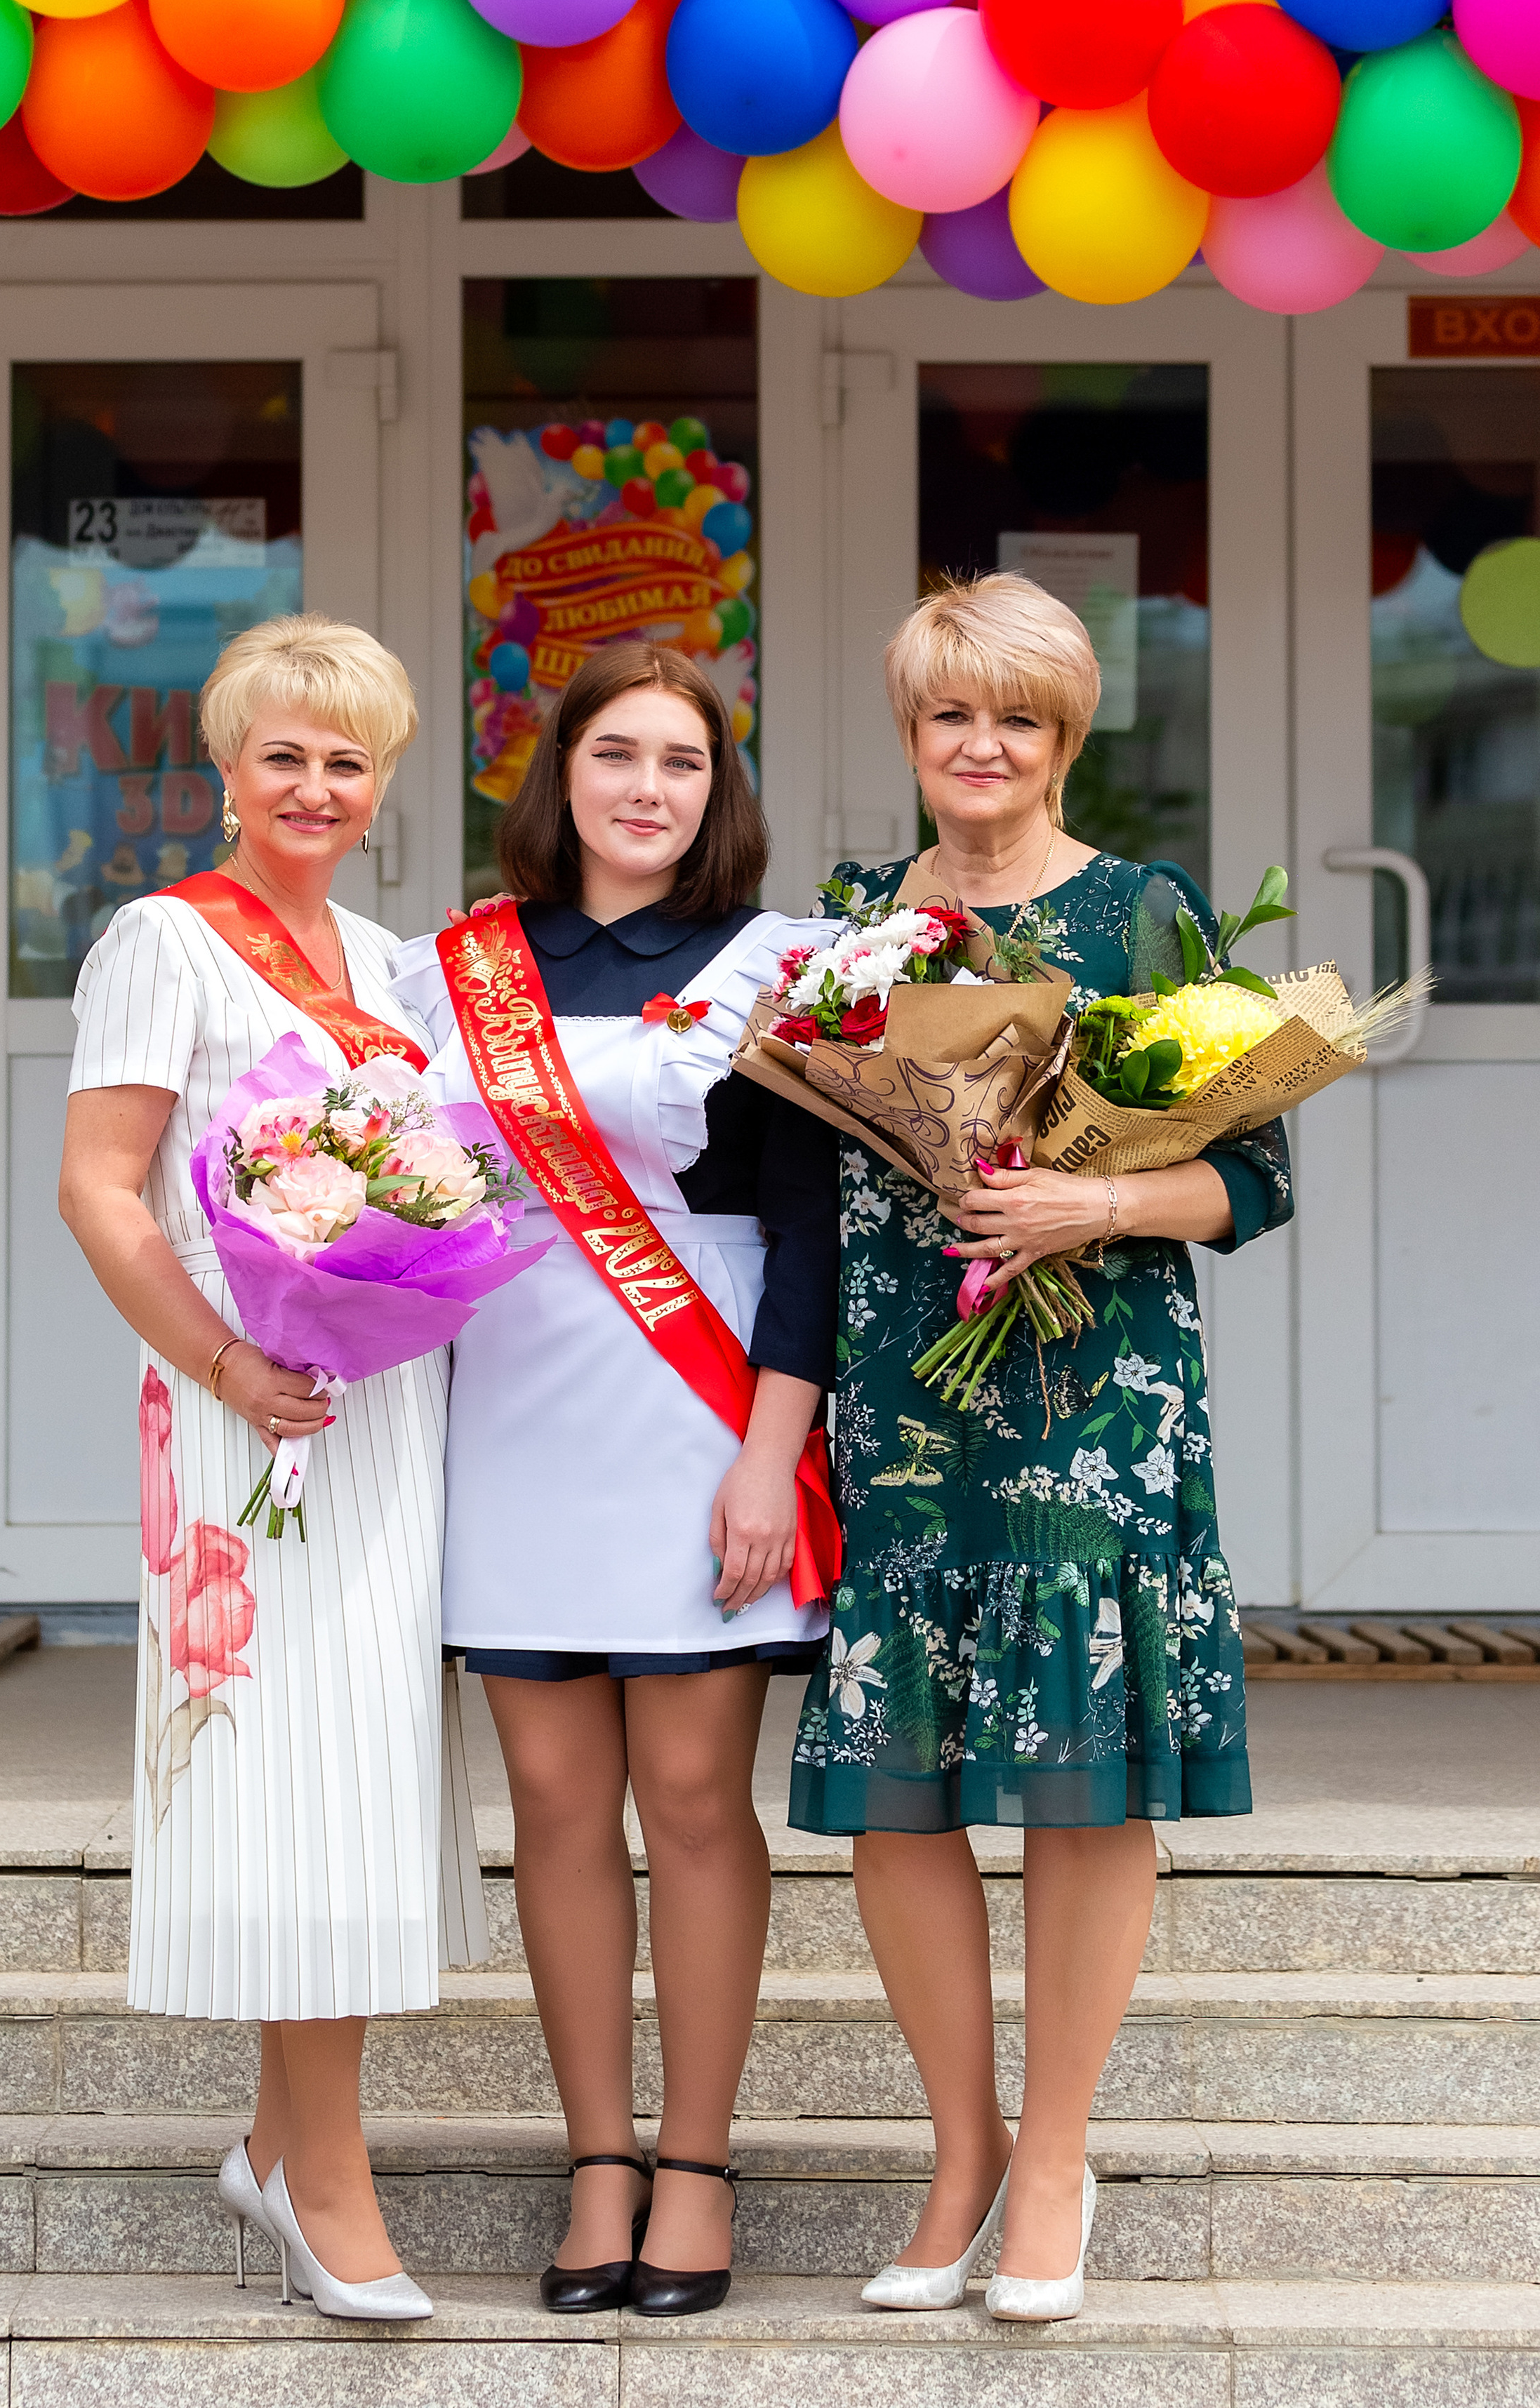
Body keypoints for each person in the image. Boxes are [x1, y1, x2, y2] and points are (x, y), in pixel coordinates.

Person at [790, 573, 1284, 2324]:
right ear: (910, 733)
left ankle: (1057, 2158)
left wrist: (1095, 1196)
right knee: (902, 1795)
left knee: (1084, 1789)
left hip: (1096, 1404)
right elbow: (803, 1173)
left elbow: (1254, 1177)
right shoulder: (851, 924)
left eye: (1014, 717)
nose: (978, 747)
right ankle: (959, 2153)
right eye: (947, 716)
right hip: (906, 1397)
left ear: (1061, 737)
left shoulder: (1144, 912)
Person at [389, 642, 839, 2319]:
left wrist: (767, 1455)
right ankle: (594, 2159)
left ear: (718, 793)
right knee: (559, 1812)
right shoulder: (460, 970)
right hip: (512, 1400)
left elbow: (810, 1227)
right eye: (617, 755)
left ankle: (700, 2164)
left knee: (697, 1803)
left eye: (684, 763)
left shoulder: (776, 965)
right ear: (558, 774)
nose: (649, 788)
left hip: (701, 1400)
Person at [59, 613, 486, 2326]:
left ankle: (268, 2141)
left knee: (359, 1777)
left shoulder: (389, 962)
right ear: (228, 770)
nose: (315, 784)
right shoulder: (166, 940)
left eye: (348, 758)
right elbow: (104, 1186)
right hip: (243, 1411)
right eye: (283, 753)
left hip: (383, 1412)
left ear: (382, 782)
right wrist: (233, 1361)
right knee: (287, 1775)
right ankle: (329, 2185)